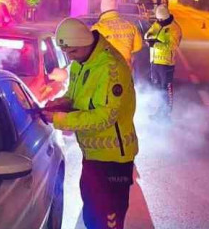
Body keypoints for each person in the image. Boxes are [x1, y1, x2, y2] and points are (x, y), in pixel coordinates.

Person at [43, 18, 138, 229]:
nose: (69, 57)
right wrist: (61, 103)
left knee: (108, 220)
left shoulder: (111, 68)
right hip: (93, 154)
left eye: (72, 51)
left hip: (113, 160)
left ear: (84, 43)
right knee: (92, 214)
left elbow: (104, 117)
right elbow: (75, 95)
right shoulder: (81, 62)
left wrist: (60, 119)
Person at [145, 5, 182, 119]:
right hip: (155, 62)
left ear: (166, 17)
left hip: (166, 65)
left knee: (166, 90)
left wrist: (156, 43)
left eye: (161, 19)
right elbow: (148, 34)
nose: (159, 21)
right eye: (158, 19)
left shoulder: (174, 28)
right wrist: (149, 39)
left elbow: (173, 46)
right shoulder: (157, 24)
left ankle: (166, 115)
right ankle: (159, 112)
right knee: (158, 90)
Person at [92, 0, 143, 67]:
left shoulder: (97, 28)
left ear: (102, 7)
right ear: (116, 7)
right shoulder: (131, 26)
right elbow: (138, 47)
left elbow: (90, 52)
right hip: (126, 71)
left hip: (106, 71)